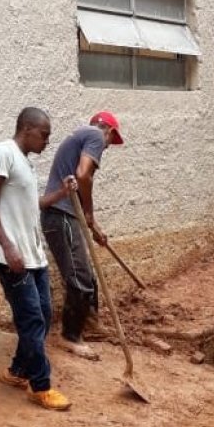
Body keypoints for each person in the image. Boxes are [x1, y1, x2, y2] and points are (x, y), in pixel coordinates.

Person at [0, 107, 72, 411]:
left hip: (32, 255)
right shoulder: (1, 152)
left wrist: (61, 192)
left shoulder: (25, 165)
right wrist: (7, 246)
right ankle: (40, 386)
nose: (46, 142)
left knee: (43, 315)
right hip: (11, 255)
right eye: (44, 135)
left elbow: (35, 205)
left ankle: (17, 372)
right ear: (27, 128)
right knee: (32, 319)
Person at [41, 111, 124, 361]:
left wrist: (92, 224)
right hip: (61, 215)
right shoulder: (96, 136)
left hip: (65, 215)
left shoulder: (81, 135)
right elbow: (83, 174)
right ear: (108, 130)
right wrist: (88, 212)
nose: (107, 147)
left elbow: (78, 181)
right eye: (111, 140)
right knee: (79, 279)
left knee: (88, 276)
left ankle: (90, 323)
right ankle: (70, 336)